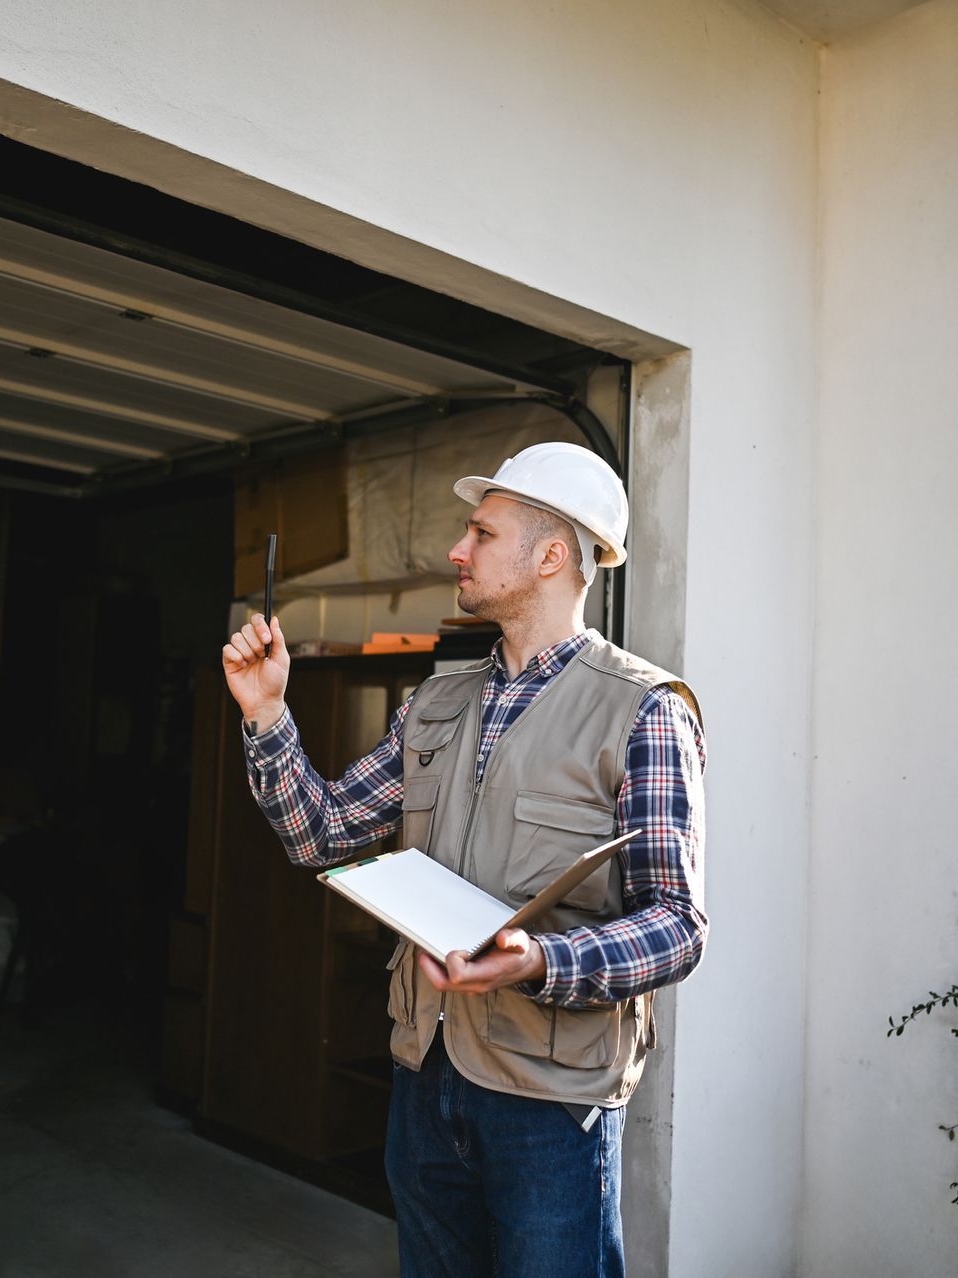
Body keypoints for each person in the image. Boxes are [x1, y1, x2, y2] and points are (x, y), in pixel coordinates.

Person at [220, 441, 707, 1278]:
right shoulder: (436, 704)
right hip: (425, 1074)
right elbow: (323, 834)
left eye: (481, 533)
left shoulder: (644, 712)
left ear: (551, 556)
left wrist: (540, 961)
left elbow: (678, 928)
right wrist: (266, 715)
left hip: (549, 1105)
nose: (457, 550)